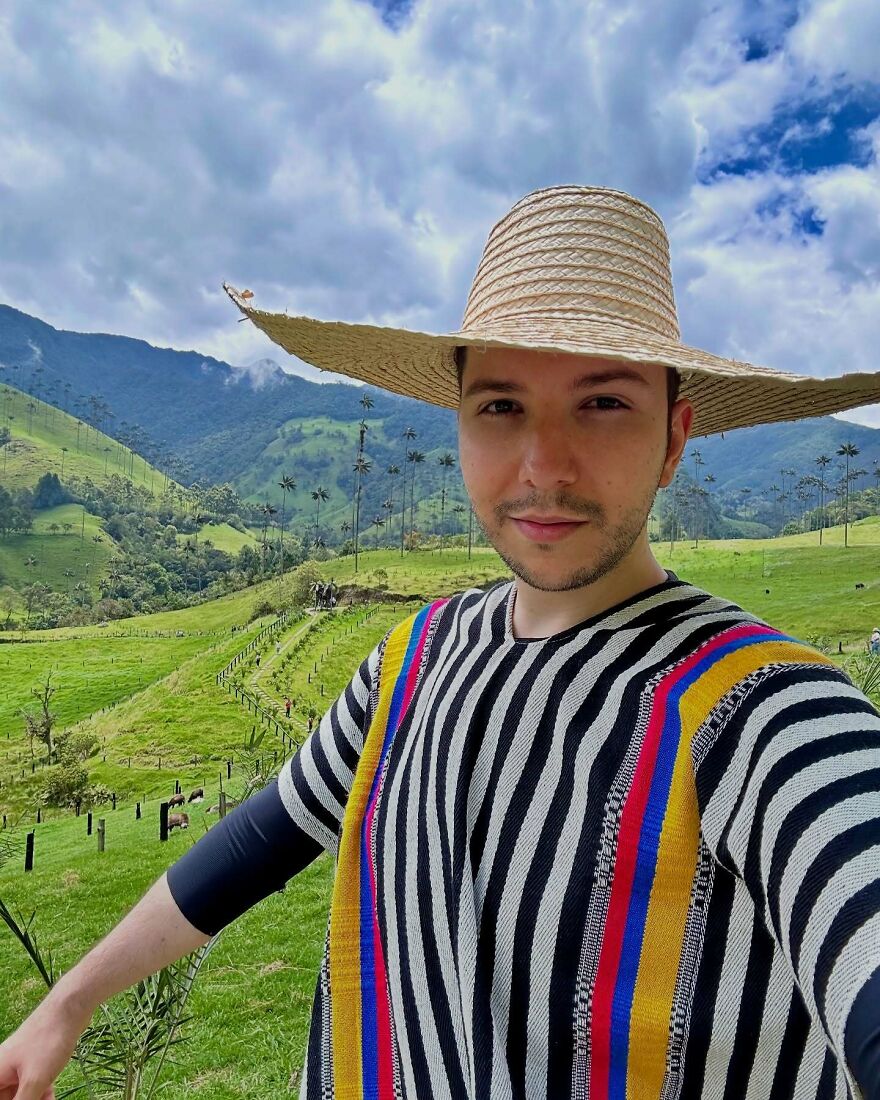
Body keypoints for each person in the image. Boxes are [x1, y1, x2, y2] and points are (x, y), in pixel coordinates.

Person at [3, 186, 879, 1100]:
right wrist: (68, 1002)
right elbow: (264, 835)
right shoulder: (412, 658)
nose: (544, 465)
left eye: (604, 404)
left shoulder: (765, 713)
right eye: (501, 407)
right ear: (459, 424)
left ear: (674, 438)